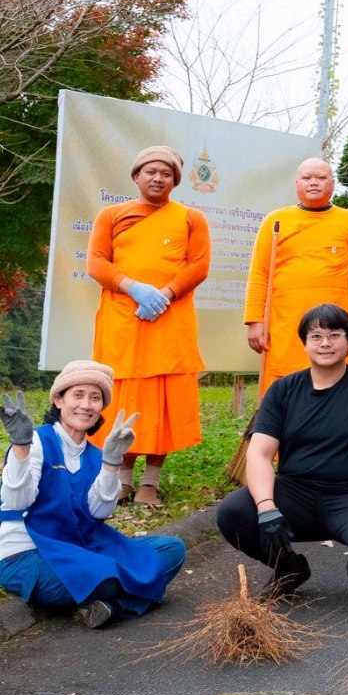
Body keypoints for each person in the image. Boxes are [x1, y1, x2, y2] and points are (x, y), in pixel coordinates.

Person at [217, 304, 348, 603]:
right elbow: (260, 454)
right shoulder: (283, 390)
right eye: (315, 336)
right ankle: (288, 567)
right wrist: (266, 507)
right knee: (234, 513)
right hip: (297, 491)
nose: (325, 343)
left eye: (334, 334)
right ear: (304, 343)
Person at [0, 361, 185, 628]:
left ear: (102, 407)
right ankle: (121, 599)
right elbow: (16, 502)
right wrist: (20, 447)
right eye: (77, 395)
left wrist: (113, 461)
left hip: (80, 547)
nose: (86, 405)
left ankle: (110, 606)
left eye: (95, 398)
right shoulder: (35, 442)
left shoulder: (96, 455)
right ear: (58, 400)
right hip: (27, 553)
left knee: (171, 550)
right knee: (101, 573)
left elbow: (100, 513)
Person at [86, 145, 211, 509]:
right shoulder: (112, 215)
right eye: (150, 172)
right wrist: (132, 287)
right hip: (123, 320)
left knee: (163, 401)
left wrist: (167, 293)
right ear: (136, 176)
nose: (158, 178)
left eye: (166, 173)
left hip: (170, 321)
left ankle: (150, 484)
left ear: (175, 180)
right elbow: (96, 262)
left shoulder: (191, 218)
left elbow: (198, 266)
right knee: (124, 398)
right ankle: (122, 480)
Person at [242, 157, 348, 396]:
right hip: (286, 321)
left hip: (336, 323)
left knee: (337, 384)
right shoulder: (275, 221)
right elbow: (259, 274)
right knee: (285, 385)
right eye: (307, 178)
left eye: (321, 178)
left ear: (333, 184)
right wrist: (255, 320)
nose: (313, 183)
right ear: (296, 183)